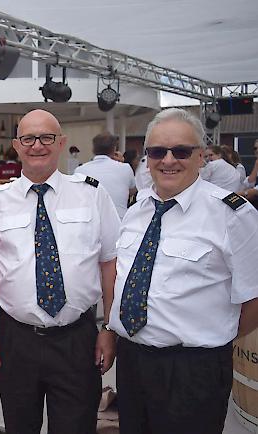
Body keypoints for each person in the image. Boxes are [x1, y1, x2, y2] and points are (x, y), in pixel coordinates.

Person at [107, 108, 258, 434]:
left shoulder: (232, 214)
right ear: (147, 158)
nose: (168, 160)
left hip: (193, 371)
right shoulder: (137, 212)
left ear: (201, 157)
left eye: (181, 151)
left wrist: (214, 337)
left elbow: (254, 298)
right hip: (132, 362)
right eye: (158, 151)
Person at [0, 109, 120, 434]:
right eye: (28, 138)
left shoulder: (92, 194)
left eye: (46, 137)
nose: (37, 145)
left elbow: (110, 264)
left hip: (77, 339)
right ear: (17, 144)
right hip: (16, 339)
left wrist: (109, 328)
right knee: (20, 426)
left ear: (61, 143)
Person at [75, 132, 136, 219]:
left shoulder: (80, 170)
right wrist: (122, 162)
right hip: (119, 222)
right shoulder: (125, 168)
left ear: (93, 149)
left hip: (90, 222)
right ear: (114, 149)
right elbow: (132, 191)